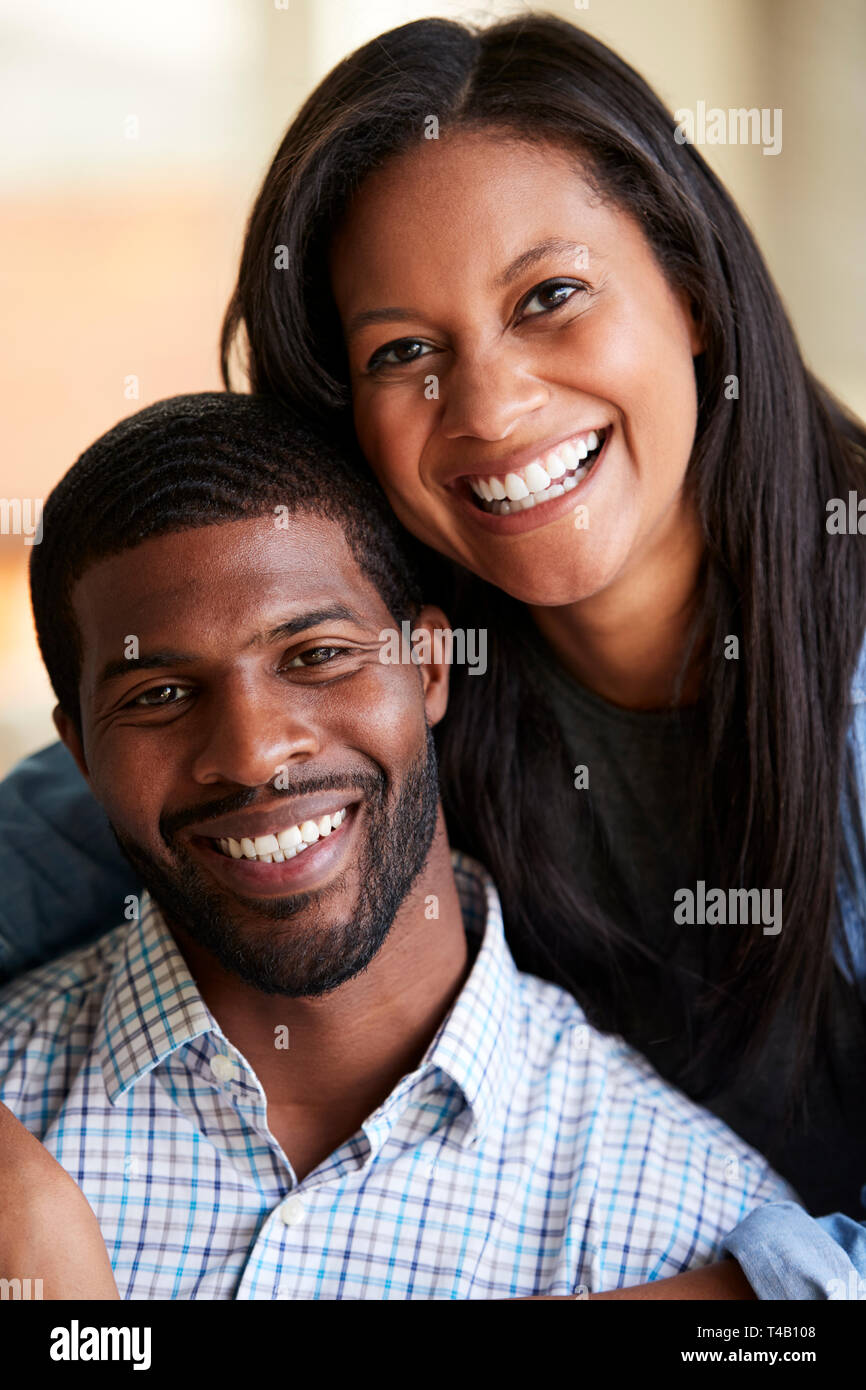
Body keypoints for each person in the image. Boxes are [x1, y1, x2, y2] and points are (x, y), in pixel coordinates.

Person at [1, 16, 865, 1297]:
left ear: (687, 287)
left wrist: (728, 1293)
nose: (491, 406)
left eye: (548, 298)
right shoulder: (368, 683)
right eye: (401, 351)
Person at [0, 392, 796, 1300]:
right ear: (80, 753)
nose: (255, 753)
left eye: (316, 655)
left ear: (426, 667)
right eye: (158, 696)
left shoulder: (693, 1237)